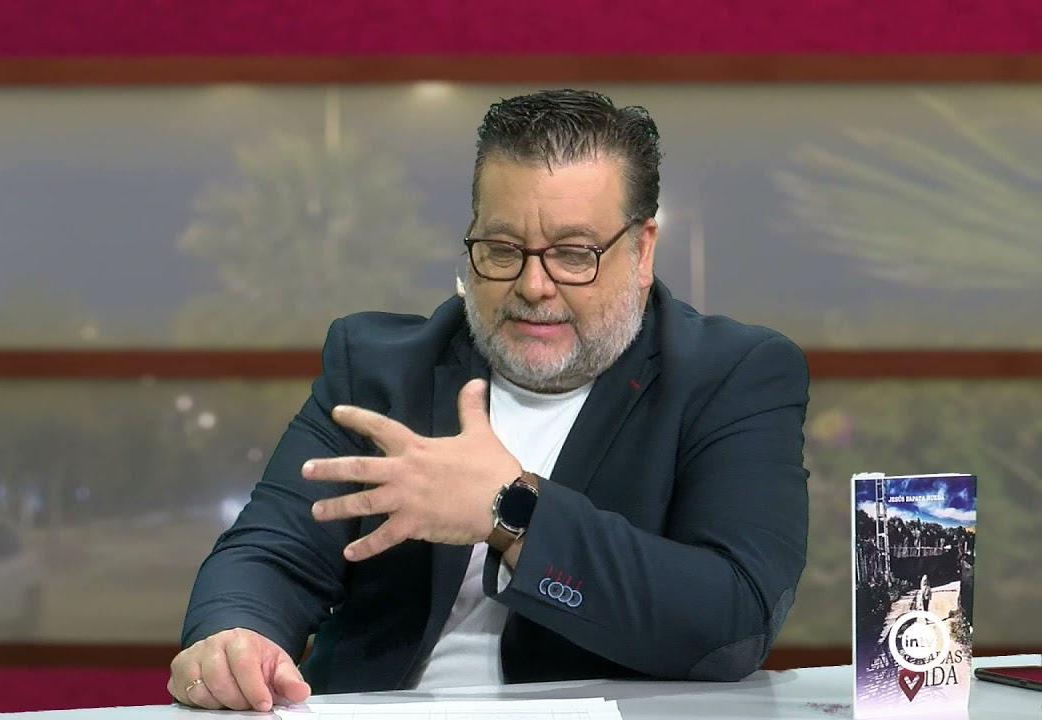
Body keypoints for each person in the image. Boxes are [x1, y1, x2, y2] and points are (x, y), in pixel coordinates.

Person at [169, 89, 811, 712]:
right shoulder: (378, 368)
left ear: (642, 251)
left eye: (573, 254)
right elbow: (271, 551)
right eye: (502, 250)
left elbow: (731, 622)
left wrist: (511, 510)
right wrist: (236, 635)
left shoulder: (732, 376)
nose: (533, 286)